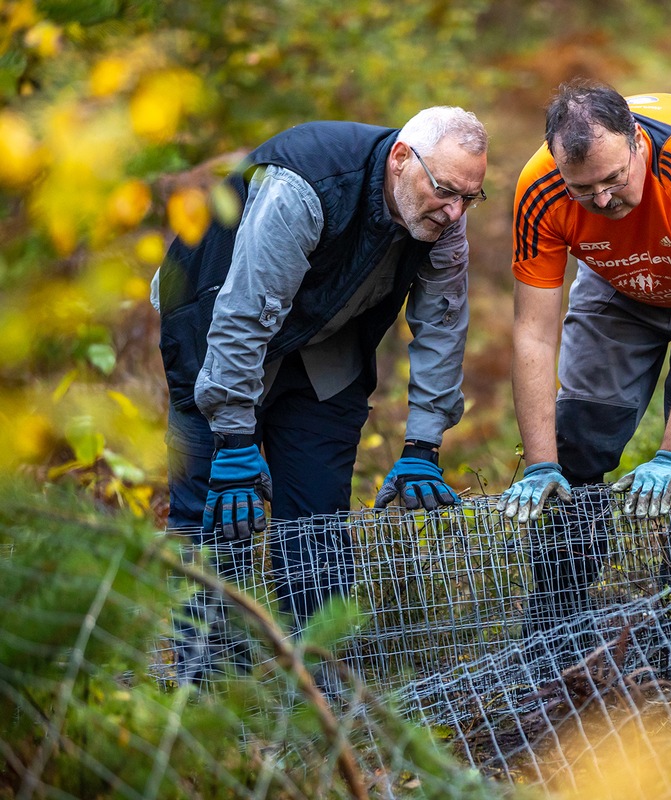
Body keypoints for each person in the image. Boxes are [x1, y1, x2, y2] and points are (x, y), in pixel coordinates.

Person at [153, 108, 488, 676]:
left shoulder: (442, 221)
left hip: (322, 348)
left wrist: (422, 448)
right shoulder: (304, 187)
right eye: (445, 191)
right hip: (213, 327)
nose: (455, 211)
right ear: (402, 159)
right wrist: (234, 442)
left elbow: (443, 327)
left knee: (316, 525)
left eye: (469, 198)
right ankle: (203, 691)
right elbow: (243, 317)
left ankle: (318, 692)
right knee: (214, 516)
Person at [497, 79, 671, 526]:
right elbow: (532, 333)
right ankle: (562, 595)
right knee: (580, 431)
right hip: (620, 265)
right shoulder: (540, 188)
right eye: (583, 190)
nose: (604, 199)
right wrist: (540, 465)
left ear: (636, 140)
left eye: (614, 179)